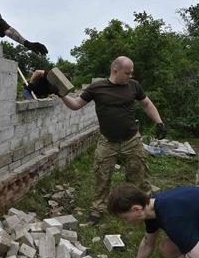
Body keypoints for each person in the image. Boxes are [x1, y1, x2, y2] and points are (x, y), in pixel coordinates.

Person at [60, 56, 166, 223]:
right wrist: (60, 93)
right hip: (107, 142)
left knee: (138, 175)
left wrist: (159, 122)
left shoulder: (134, 86)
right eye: (127, 73)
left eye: (131, 73)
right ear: (115, 70)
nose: (130, 76)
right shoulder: (97, 87)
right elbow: (75, 105)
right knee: (102, 177)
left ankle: (143, 208)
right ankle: (96, 211)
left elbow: (146, 104)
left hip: (132, 140)